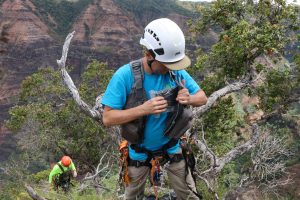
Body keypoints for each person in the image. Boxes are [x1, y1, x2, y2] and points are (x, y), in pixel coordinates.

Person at [101, 18, 207, 200]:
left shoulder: (175, 71)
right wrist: (143, 109)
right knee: (132, 196)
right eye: (166, 64)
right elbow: (108, 118)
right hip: (138, 151)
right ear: (149, 55)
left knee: (189, 195)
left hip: (173, 146)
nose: (170, 69)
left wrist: (189, 98)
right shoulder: (124, 76)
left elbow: (202, 97)